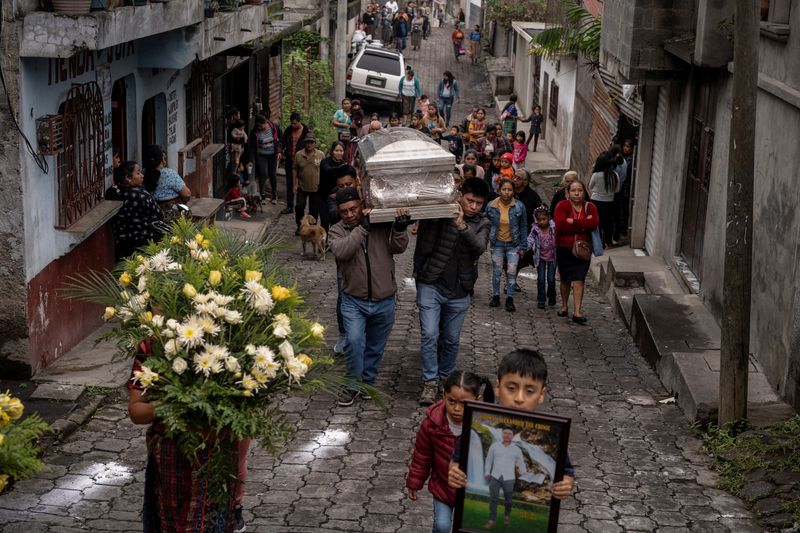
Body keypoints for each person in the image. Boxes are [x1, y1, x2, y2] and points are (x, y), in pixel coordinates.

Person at [129, 341, 241, 532]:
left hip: (215, 458)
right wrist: (169, 403)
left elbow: (240, 417)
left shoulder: (228, 340)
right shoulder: (151, 347)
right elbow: (136, 411)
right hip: (170, 460)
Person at [447, 349, 576, 510]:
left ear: (541, 395)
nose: (519, 398)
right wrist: (454, 472)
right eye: (511, 388)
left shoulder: (553, 432)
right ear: (498, 388)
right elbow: (456, 460)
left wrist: (566, 485)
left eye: (529, 391)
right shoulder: (474, 423)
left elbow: (566, 473)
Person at [328, 188, 411, 406]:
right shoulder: (336, 231)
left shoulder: (381, 223)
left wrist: (400, 229)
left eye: (353, 209)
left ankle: (367, 381)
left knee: (375, 346)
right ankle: (352, 385)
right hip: (353, 300)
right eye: (344, 211)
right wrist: (362, 229)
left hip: (384, 298)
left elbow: (398, 248)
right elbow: (342, 251)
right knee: (354, 342)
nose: (349, 215)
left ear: (361, 204)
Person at [413, 178, 491, 405]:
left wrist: (462, 226)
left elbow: (479, 247)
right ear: (459, 196)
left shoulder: (483, 222)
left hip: (460, 289)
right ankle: (429, 382)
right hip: (431, 283)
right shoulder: (442, 212)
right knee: (429, 334)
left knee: (451, 339)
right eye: (470, 201)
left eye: (478, 203)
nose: (474, 207)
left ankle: (445, 378)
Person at [406, 371, 494, 533]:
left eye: (464, 403)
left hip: (471, 493)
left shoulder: (485, 427)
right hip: (443, 488)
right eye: (451, 401)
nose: (457, 408)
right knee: (442, 525)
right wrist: (414, 482)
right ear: (443, 395)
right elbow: (422, 455)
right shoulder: (433, 424)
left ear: (477, 400)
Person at [554, 180, 598, 323]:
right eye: (573, 190)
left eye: (580, 190)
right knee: (565, 279)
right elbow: (561, 224)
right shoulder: (562, 205)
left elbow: (594, 223)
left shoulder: (590, 207)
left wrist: (573, 221)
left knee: (579, 279)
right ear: (568, 193)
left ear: (584, 192)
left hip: (583, 249)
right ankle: (565, 305)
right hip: (564, 248)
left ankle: (577, 312)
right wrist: (583, 224)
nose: (577, 193)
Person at [485, 179, 527, 312]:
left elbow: (523, 226)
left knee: (511, 272)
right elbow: (486, 223)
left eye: (509, 190)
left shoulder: (519, 206)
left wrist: (523, 246)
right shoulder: (491, 206)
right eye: (504, 189)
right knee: (497, 271)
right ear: (499, 190)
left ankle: (510, 298)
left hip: (513, 244)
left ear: (514, 192)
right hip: (496, 243)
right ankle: (496, 296)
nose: (507, 192)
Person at [110, 161, 165, 261]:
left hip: (122, 244)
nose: (142, 176)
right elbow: (158, 216)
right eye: (138, 173)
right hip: (143, 243)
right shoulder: (142, 196)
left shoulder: (114, 192)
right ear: (128, 178)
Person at [293, 134, 324, 235]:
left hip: (316, 187)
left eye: (311, 142)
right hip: (302, 186)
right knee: (299, 206)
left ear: (315, 143)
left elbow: (324, 170)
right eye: (307, 142)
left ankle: (311, 228)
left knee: (314, 209)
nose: (309, 144)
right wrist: (294, 184)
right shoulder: (299, 154)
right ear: (304, 143)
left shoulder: (320, 155)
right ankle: (300, 226)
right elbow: (294, 169)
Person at [588, 151, 620, 248]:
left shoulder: (596, 175)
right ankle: (608, 242)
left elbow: (590, 186)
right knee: (608, 222)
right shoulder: (615, 175)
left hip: (596, 201)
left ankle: (597, 242)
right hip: (609, 202)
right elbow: (617, 189)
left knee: (597, 222)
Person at [280, 112, 310, 215]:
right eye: (291, 123)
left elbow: (311, 145)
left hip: (302, 160)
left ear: (299, 121)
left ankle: (300, 205)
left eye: (294, 123)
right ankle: (289, 206)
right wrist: (281, 151)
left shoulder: (306, 131)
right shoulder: (288, 131)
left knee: (301, 183)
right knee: (289, 183)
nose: (293, 125)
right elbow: (282, 142)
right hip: (290, 160)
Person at [248, 113, 281, 204]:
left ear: (265, 122)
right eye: (258, 126)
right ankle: (262, 195)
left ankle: (274, 195)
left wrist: (279, 151)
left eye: (261, 125)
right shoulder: (254, 132)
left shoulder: (274, 127)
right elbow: (252, 147)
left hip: (272, 155)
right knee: (263, 174)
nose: (260, 127)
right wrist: (251, 160)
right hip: (261, 155)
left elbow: (280, 140)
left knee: (272, 174)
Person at [527, 206, 557, 309]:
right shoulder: (535, 230)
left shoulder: (554, 228)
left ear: (548, 218)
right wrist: (524, 248)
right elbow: (530, 240)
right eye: (539, 220)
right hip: (540, 258)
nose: (542, 222)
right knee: (541, 279)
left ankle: (552, 295)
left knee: (551, 279)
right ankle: (541, 300)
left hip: (553, 257)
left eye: (544, 219)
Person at [318, 141, 348, 229]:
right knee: (324, 221)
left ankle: (332, 241)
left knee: (335, 221)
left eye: (341, 151)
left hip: (336, 198)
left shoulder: (344, 163)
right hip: (323, 197)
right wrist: (341, 169)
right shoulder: (325, 162)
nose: (339, 153)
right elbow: (327, 171)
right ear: (332, 151)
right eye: (336, 150)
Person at [614, 139, 634, 241]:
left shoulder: (630, 160)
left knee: (624, 208)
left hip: (625, 187)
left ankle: (623, 228)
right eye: (625, 146)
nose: (626, 148)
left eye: (628, 147)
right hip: (621, 186)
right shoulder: (622, 158)